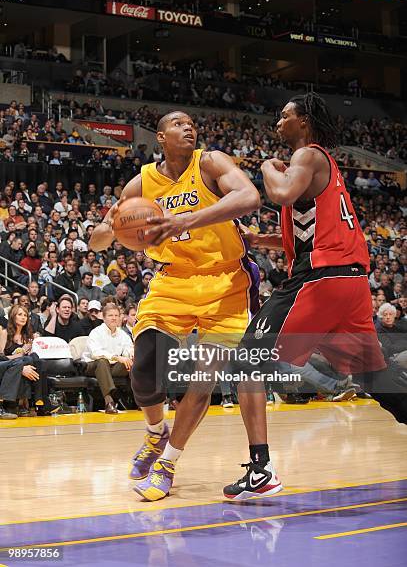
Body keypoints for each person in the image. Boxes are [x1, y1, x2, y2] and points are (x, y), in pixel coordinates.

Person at [223, 92, 407, 500]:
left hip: (320, 280)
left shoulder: (305, 156)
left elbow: (281, 194)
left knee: (247, 361)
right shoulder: (320, 167)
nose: (277, 123)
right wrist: (260, 239)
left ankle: (261, 471)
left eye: (284, 116)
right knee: (375, 377)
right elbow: (304, 233)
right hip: (349, 283)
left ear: (304, 121)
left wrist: (269, 167)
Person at [90, 110, 260, 501]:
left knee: (202, 381)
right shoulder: (142, 182)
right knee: (144, 370)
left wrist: (187, 220)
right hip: (173, 281)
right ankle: (155, 433)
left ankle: (166, 465)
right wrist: (111, 228)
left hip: (226, 282)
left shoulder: (211, 162)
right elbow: (100, 239)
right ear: (161, 137)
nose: (189, 127)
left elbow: (249, 197)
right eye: (178, 123)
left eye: (192, 124)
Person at [0, 305, 56, 415]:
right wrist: (21, 354)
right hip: (6, 365)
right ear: (13, 316)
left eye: (25, 315)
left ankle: (39, 401)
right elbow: (1, 357)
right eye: (20, 314)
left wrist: (30, 348)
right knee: (27, 359)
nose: (23, 317)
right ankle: (40, 402)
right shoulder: (4, 333)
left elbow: (30, 360)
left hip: (21, 365)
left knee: (37, 360)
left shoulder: (27, 336)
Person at [82, 302, 133, 413]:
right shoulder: (96, 332)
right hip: (92, 365)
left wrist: (131, 355)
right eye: (110, 315)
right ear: (104, 318)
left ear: (120, 318)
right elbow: (96, 353)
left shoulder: (123, 334)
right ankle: (109, 401)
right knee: (102, 361)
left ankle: (140, 399)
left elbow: (128, 349)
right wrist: (117, 358)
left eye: (116, 315)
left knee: (133, 363)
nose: (114, 318)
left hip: (112, 368)